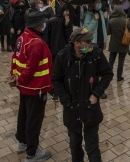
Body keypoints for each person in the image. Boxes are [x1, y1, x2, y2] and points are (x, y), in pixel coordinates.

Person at [52, 27, 114, 162]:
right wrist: (65, 100)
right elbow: (56, 79)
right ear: (77, 44)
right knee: (75, 145)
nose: (91, 43)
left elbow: (108, 73)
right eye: (87, 41)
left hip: (90, 109)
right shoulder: (62, 56)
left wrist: (96, 93)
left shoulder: (95, 54)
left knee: (92, 147)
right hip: (72, 109)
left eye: (91, 40)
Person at [9, 10, 53, 162]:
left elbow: (15, 58)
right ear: (39, 25)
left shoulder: (23, 37)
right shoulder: (36, 43)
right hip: (36, 87)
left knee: (24, 115)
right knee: (33, 120)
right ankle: (32, 153)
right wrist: (20, 79)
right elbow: (30, 68)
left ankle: (22, 141)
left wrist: (14, 76)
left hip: (25, 87)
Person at [106, 5, 130, 82]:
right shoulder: (126, 21)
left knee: (111, 61)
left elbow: (108, 32)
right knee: (121, 61)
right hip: (123, 44)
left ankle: (109, 75)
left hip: (113, 44)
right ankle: (119, 76)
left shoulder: (111, 21)